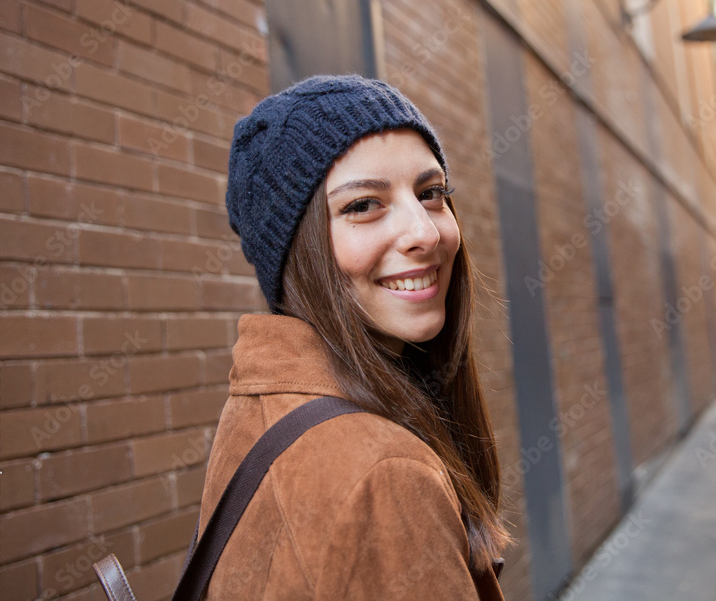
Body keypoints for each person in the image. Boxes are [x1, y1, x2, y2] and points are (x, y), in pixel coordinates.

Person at [197, 74, 512, 599]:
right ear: (299, 250)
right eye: (363, 204)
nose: (426, 232)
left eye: (431, 193)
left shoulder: (264, 402)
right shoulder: (383, 473)